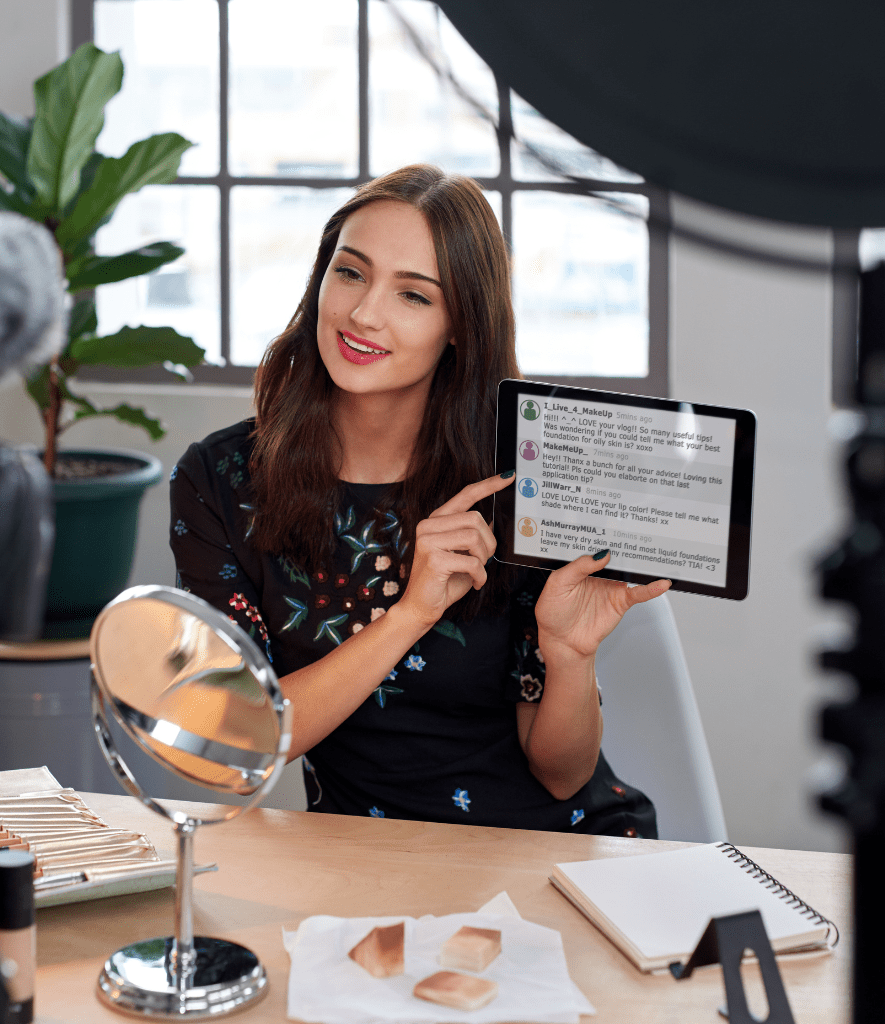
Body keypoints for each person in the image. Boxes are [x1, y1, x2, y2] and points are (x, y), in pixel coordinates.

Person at [170, 164, 670, 836]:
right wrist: (411, 613)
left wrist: (568, 655)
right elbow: (240, 739)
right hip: (366, 860)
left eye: (414, 296)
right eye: (350, 272)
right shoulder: (222, 480)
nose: (364, 312)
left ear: (459, 326)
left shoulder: (516, 479)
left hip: (554, 854)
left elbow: (563, 775)